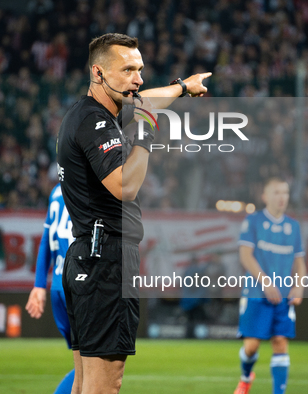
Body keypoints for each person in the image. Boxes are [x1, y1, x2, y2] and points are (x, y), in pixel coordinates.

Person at [57, 32, 211, 394]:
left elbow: (143, 100)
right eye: (127, 70)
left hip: (88, 256)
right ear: (98, 72)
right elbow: (125, 186)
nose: (138, 80)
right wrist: (145, 133)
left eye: (139, 70)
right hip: (105, 259)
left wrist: (182, 88)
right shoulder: (96, 121)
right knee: (105, 386)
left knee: (83, 385)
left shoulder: (88, 113)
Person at [234, 178, 306, 394]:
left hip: (283, 296)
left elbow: (300, 262)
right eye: (276, 192)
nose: (282, 197)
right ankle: (246, 376)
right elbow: (245, 256)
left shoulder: (293, 226)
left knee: (280, 342)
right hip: (256, 293)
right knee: (251, 347)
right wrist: (266, 282)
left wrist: (299, 286)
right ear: (265, 196)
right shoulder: (253, 221)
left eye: (285, 192)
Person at [26, 183, 75, 394]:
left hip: (58, 285)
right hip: (80, 284)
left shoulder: (57, 190)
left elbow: (46, 238)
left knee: (85, 365)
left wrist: (38, 285)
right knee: (98, 366)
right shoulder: (92, 182)